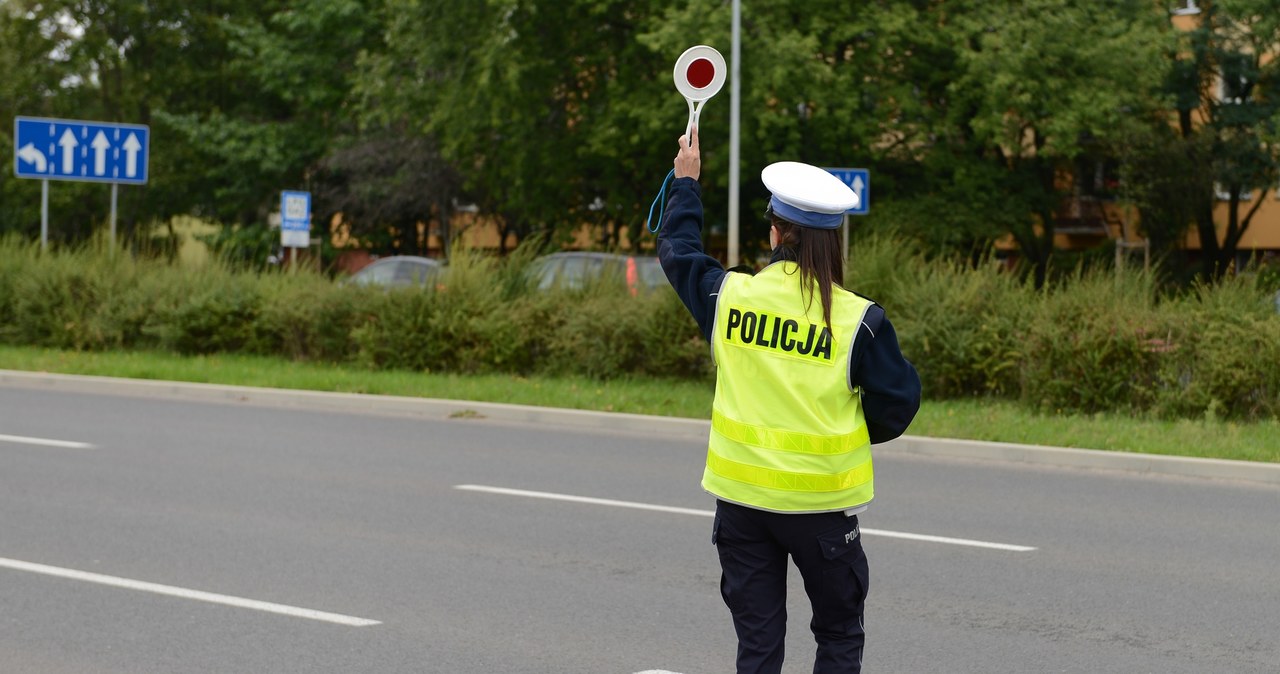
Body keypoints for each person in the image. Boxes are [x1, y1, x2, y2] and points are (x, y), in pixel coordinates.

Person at [656, 126, 921, 674]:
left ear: (775, 234)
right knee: (839, 633)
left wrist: (686, 184)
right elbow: (899, 401)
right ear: (833, 240)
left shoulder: (729, 296)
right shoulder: (858, 321)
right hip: (820, 510)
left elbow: (678, 252)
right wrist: (842, 428)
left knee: (758, 645)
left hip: (741, 503)